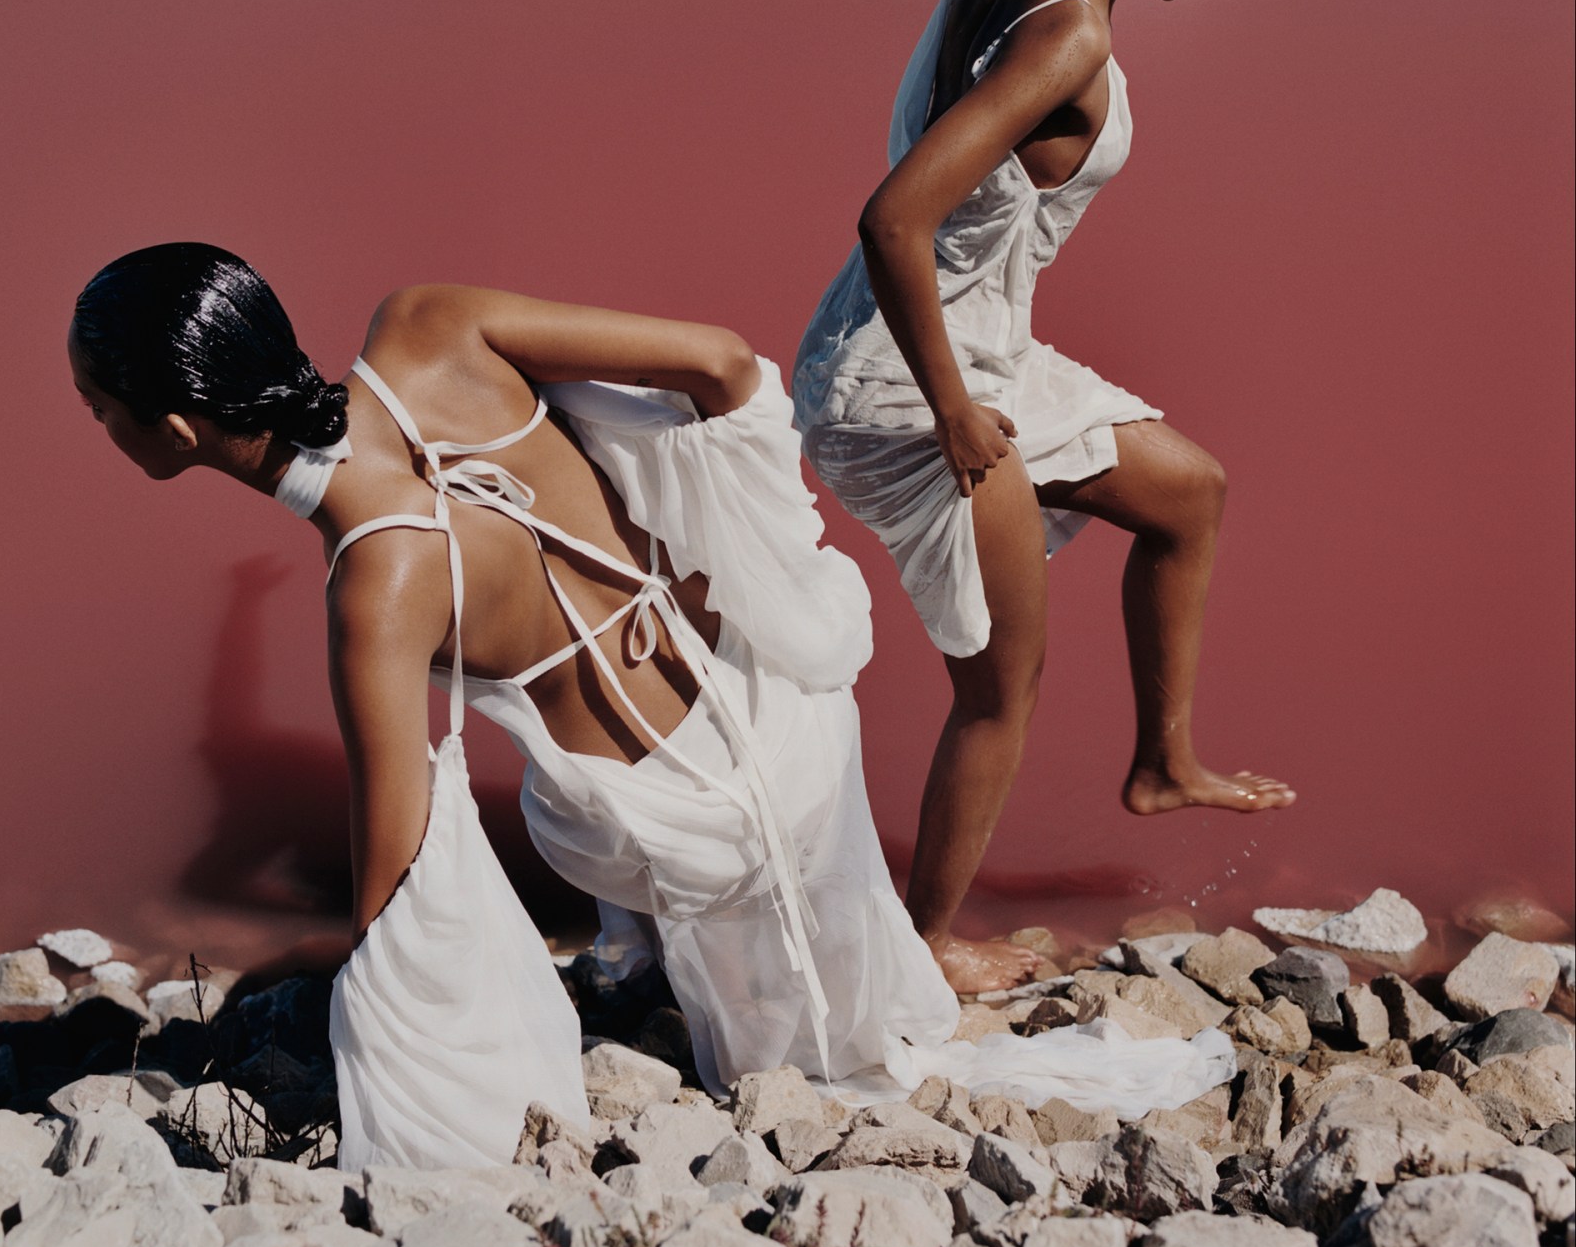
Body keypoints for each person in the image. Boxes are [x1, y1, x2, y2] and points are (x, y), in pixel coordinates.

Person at [71, 243, 1233, 1169]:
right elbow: (723, 364)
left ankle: (659, 954)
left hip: (698, 832)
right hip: (788, 703)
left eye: (98, 410)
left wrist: (388, 1066)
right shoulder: (431, 324)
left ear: (174, 429)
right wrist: (746, 551)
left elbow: (398, 868)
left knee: (557, 817)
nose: (100, 430)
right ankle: (714, 955)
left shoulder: (377, 581)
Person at [793, 0, 1294, 998]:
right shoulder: (1068, 38)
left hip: (972, 350)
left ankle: (1161, 762)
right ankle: (920, 947)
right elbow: (893, 219)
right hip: (915, 385)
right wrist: (955, 412)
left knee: (1189, 494)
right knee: (1000, 688)